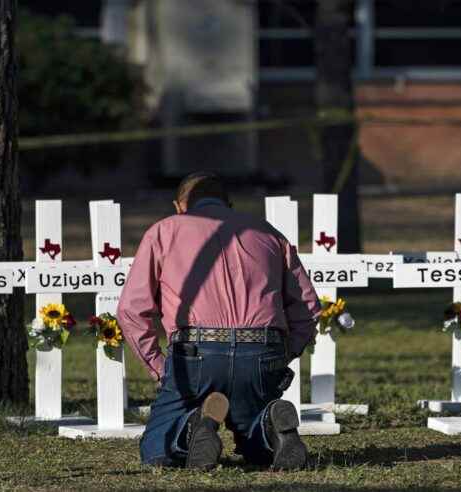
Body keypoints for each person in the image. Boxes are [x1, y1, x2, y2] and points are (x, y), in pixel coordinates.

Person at [117, 171, 320, 470]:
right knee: (254, 442)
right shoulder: (268, 233)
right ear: (229, 204)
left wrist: (160, 367)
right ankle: (271, 424)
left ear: (179, 206)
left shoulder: (164, 231)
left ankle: (192, 428)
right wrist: (286, 354)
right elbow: (308, 305)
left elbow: (132, 309)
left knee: (157, 449)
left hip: (196, 351)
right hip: (262, 348)